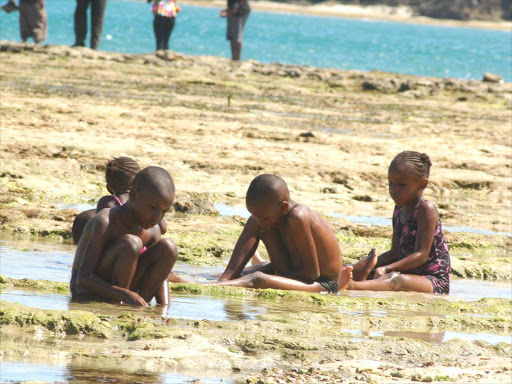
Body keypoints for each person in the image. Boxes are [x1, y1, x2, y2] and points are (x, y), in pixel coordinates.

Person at [210, 174, 350, 293]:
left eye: (265, 218)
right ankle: (217, 282)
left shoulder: (299, 217)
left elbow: (311, 274)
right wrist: (225, 278)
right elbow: (258, 222)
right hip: (290, 271)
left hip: (321, 283)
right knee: (238, 275)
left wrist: (272, 275)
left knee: (257, 278)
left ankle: (209, 286)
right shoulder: (266, 218)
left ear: (283, 207)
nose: (260, 223)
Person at [344, 151, 451, 294]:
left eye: (402, 184)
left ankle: (351, 287)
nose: (393, 190)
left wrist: (387, 268)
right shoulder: (399, 209)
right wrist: (369, 265)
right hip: (406, 273)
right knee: (355, 271)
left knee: (395, 279)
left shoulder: (426, 209)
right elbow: (395, 252)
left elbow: (421, 255)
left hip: (432, 280)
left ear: (422, 184)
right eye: (391, 183)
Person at [70, 166, 178, 306]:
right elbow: (82, 279)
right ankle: (121, 304)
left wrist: (164, 309)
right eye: (153, 208)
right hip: (87, 293)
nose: (158, 217)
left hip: (127, 296)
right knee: (132, 243)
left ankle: (139, 306)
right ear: (133, 195)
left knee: (169, 247)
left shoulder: (153, 230)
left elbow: (160, 276)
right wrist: (124, 294)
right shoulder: (105, 221)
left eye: (164, 211)